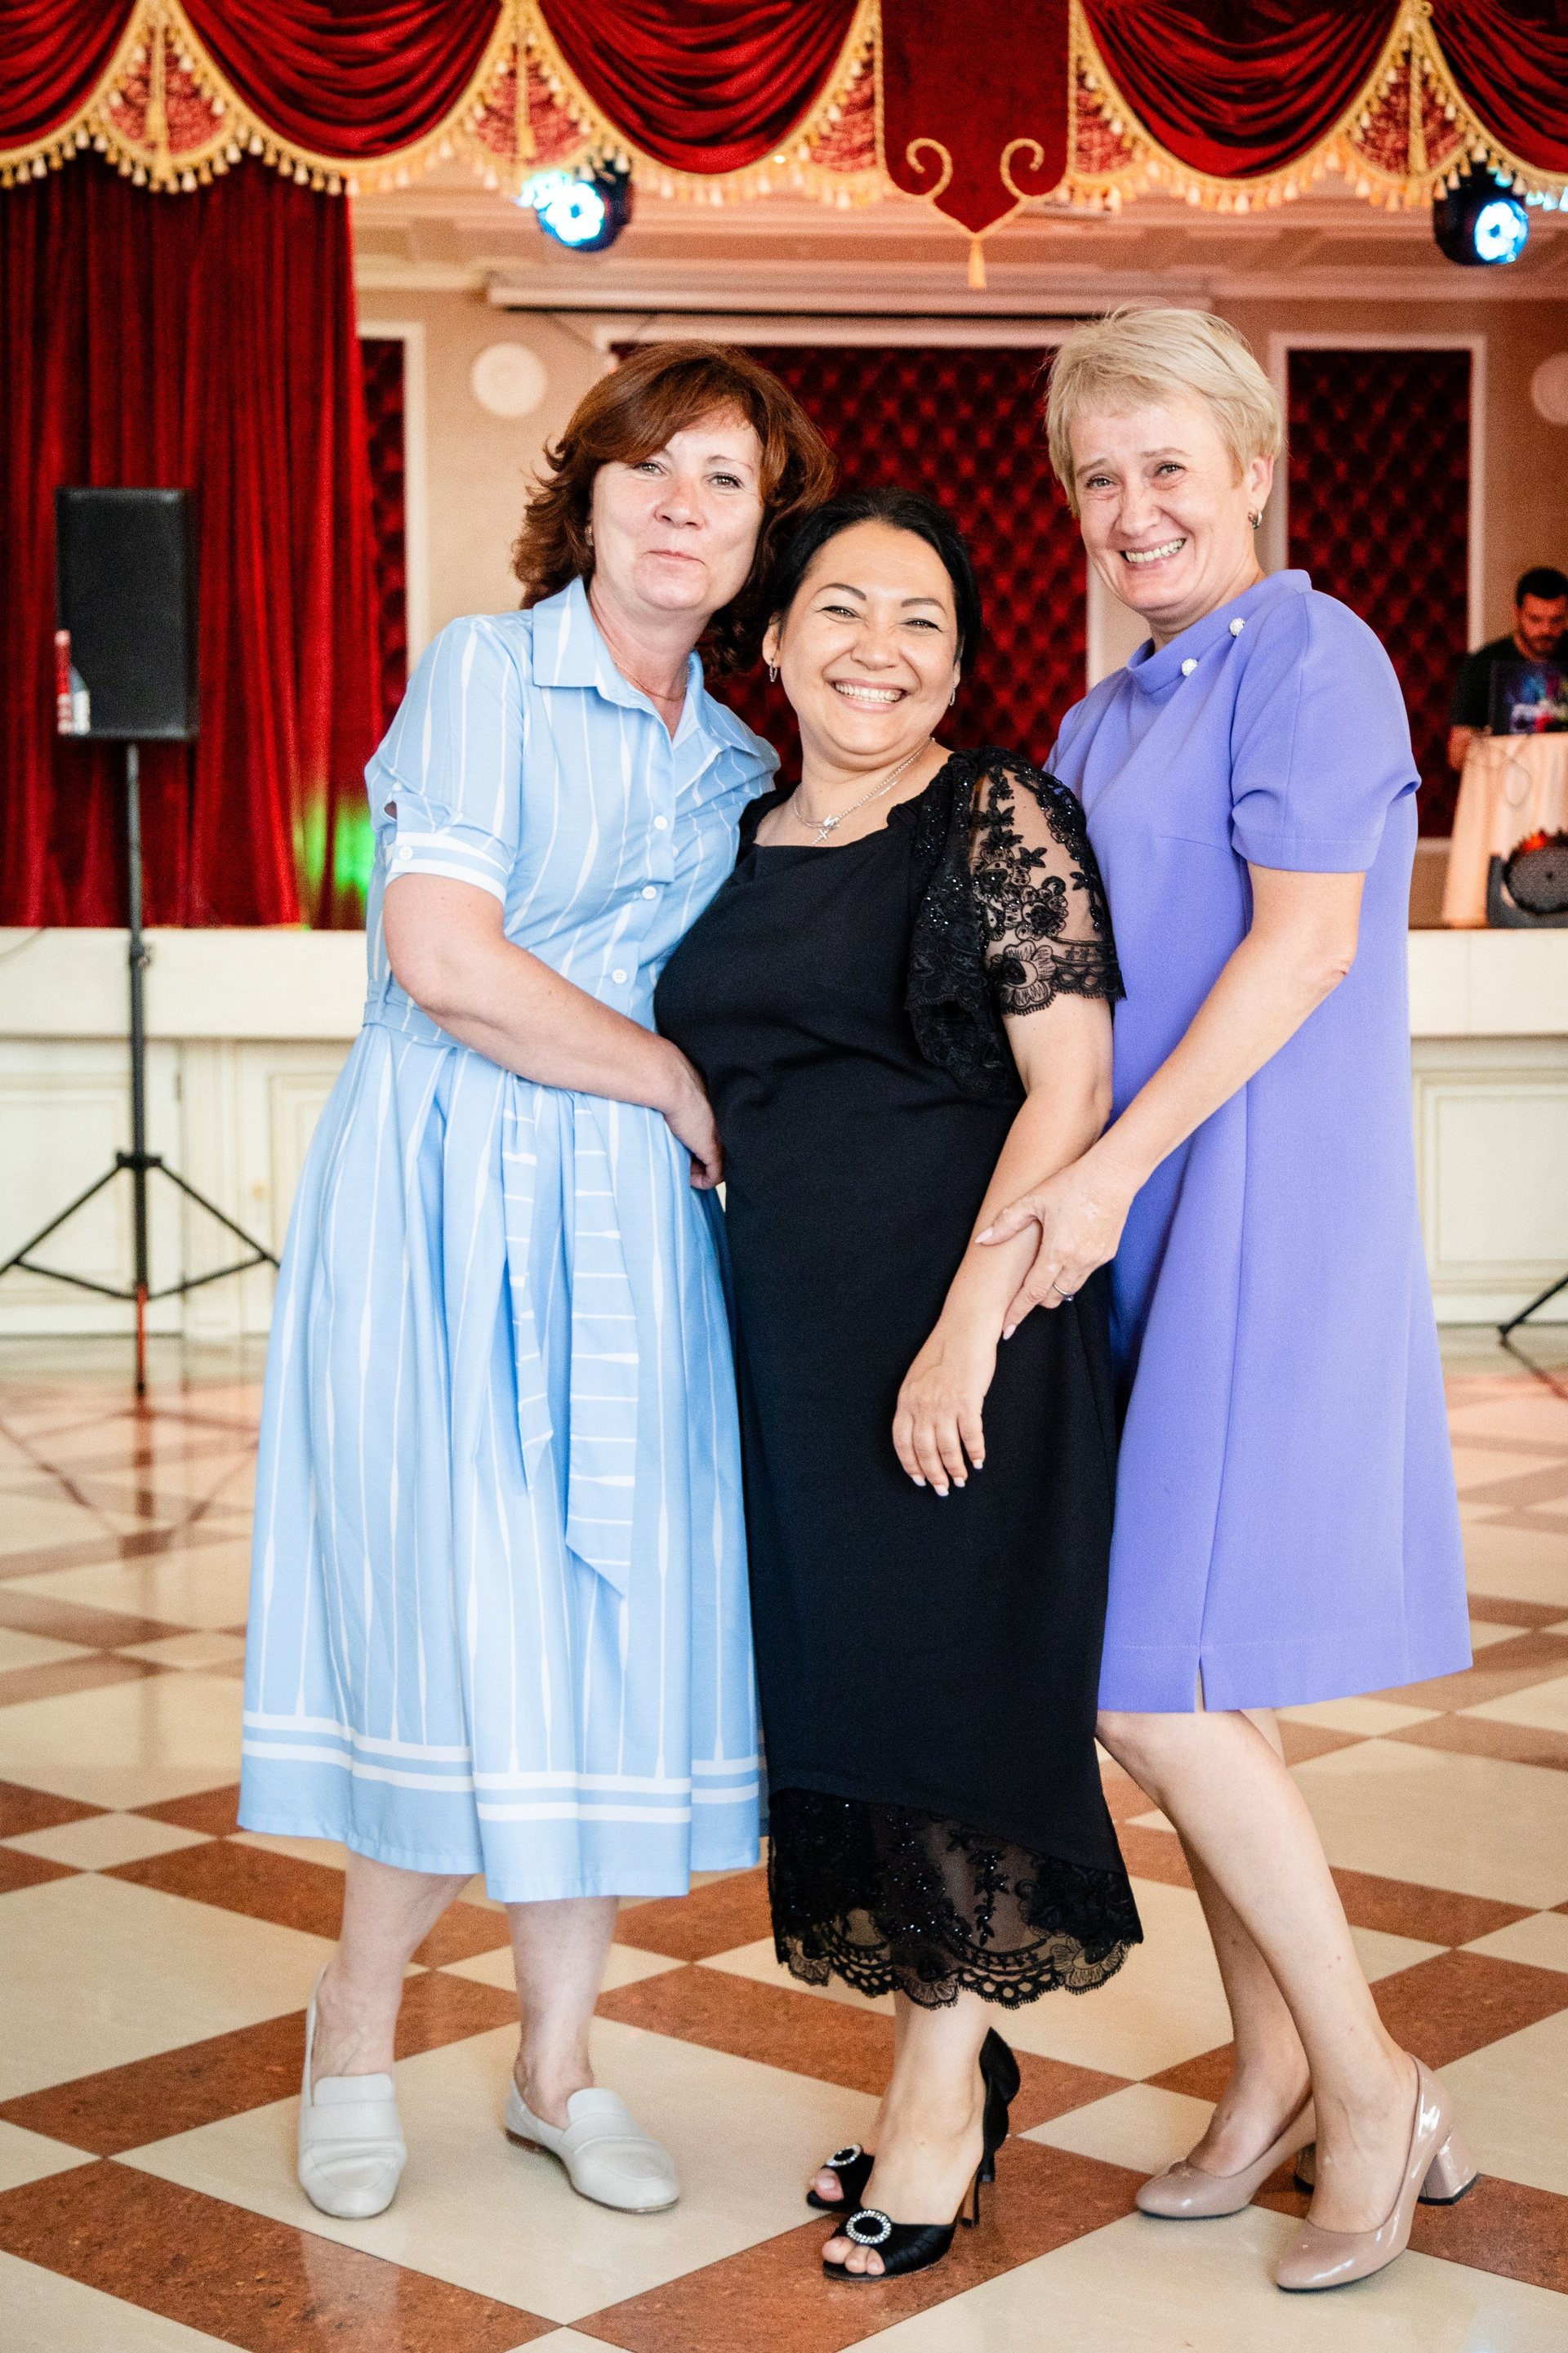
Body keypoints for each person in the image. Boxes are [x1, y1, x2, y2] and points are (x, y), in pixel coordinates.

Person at [239, 342, 833, 2223]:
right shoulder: (487, 673)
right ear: (588, 496)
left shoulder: (743, 761)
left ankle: (556, 2067)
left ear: (759, 535)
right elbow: (445, 955)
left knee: (594, 1626)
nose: (682, 507)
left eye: (725, 482)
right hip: (442, 1192)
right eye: (651, 467)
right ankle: (353, 2025)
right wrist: (667, 1076)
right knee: (451, 1612)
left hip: (634, 1227)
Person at [978, 310, 1477, 2296]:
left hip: (1258, 1203)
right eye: (1096, 477)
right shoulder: (1102, 715)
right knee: (1208, 1686)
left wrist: (1111, 1172)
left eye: (1167, 465)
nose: (1131, 509)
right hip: (1141, 1214)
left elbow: (1304, 949)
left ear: (1256, 468)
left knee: (1141, 1681)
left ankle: (1371, 2082)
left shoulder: (1314, 651)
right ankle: (1272, 2070)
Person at [655, 488, 1141, 2285]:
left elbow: (1071, 1086)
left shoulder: (995, 811)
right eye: (844, 609)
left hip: (966, 1328)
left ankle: (941, 2097)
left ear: (959, 662)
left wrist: (971, 1323)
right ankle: (950, 2056)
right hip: (796, 1338)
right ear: (774, 639)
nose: (882, 648)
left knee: (956, 1700)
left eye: (923, 619)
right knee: (856, 1700)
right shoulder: (734, 830)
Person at [1448, 564, 1568, 769]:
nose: (1546, 630)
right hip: (1505, 781)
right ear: (1516, 613)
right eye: (1535, 619)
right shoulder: (1481, 665)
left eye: (1556, 620)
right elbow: (1456, 758)